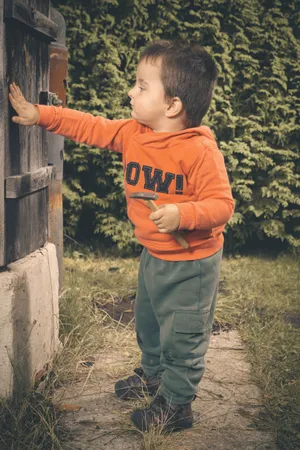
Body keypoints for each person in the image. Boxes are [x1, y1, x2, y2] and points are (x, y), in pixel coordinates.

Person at [9, 39, 234, 433]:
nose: (131, 91)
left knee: (183, 334)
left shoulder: (199, 151)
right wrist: (39, 114)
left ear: (173, 105)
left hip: (192, 264)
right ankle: (153, 376)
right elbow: (89, 126)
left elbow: (222, 205)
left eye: (142, 86)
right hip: (153, 254)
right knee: (148, 323)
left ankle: (177, 404)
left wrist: (184, 213)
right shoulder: (135, 132)